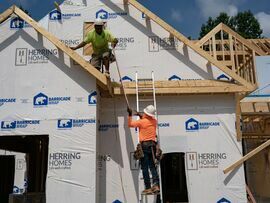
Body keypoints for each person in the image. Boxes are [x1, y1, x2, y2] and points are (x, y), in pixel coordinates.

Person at [127, 105, 160, 195]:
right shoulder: (154, 121)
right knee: (152, 166)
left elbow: (130, 124)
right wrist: (140, 115)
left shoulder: (141, 122)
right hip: (152, 146)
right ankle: (156, 185)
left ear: (146, 113)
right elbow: (147, 119)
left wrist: (130, 114)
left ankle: (148, 188)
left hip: (145, 146)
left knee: (145, 168)